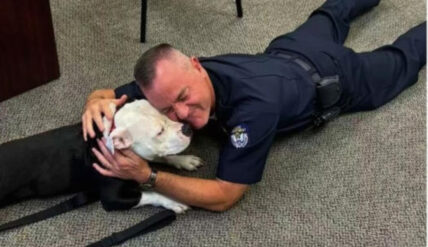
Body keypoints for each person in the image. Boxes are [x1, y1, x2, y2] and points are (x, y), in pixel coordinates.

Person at [83, 0, 426, 212]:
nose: (182, 115)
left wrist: (149, 176)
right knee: (333, 12)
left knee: (402, 58)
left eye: (184, 98)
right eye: (168, 109)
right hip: (290, 48)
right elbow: (107, 94)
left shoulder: (253, 111)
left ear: (197, 65)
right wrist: (94, 103)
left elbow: (224, 196)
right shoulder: (174, 79)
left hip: (336, 77)